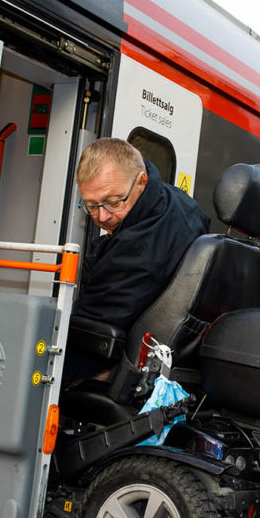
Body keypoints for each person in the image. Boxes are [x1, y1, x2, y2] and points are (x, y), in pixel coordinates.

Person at [67, 138, 209, 379]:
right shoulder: (182, 205)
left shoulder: (138, 248)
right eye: (91, 206)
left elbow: (91, 332)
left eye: (113, 202)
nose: (102, 216)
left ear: (141, 182)